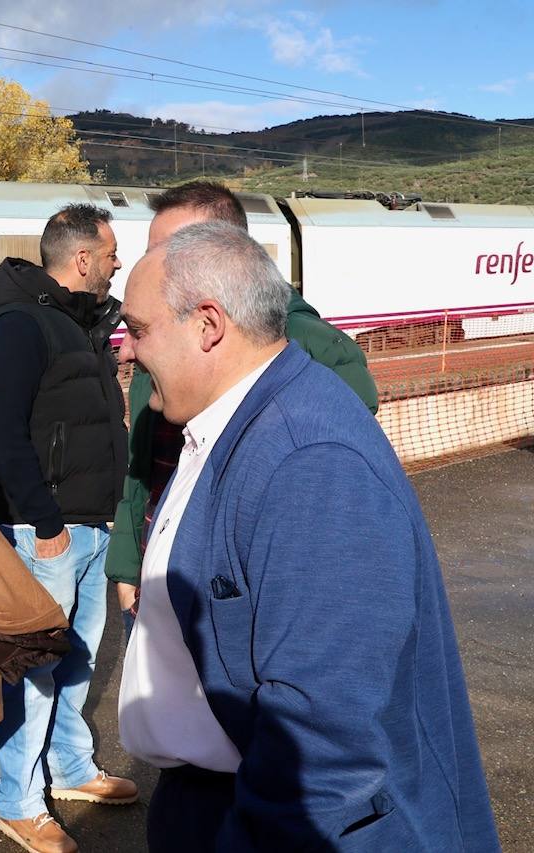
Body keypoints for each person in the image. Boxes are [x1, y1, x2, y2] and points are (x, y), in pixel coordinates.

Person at [115, 221, 499, 851]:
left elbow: (326, 742)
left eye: (139, 328)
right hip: (212, 800)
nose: (126, 350)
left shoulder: (308, 461)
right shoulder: (233, 422)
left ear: (208, 325)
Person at [105, 181, 380, 639]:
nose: (150, 265)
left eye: (173, 250)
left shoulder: (303, 345)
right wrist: (128, 568)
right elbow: (140, 473)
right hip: (161, 573)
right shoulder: (161, 343)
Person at [0, 204, 136, 853]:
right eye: (112, 250)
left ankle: (69, 768)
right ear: (83, 258)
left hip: (91, 524)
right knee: (33, 671)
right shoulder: (18, 325)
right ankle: (16, 803)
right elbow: (6, 434)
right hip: (46, 531)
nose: (118, 261)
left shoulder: (82, 324)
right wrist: (45, 525)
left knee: (78, 661)